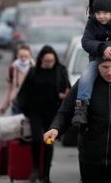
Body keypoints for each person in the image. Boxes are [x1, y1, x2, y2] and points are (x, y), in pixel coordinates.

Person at [44, 55, 111, 183]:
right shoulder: (84, 85)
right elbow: (65, 112)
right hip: (91, 158)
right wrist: (55, 128)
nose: (109, 72)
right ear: (97, 66)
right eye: (105, 67)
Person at [16, 45, 70, 183]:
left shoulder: (60, 70)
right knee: (36, 139)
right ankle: (35, 169)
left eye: (51, 61)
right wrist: (24, 109)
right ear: (40, 59)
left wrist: (63, 95)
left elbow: (67, 89)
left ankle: (46, 174)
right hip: (35, 111)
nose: (49, 64)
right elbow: (24, 92)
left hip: (52, 112)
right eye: (46, 61)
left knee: (48, 142)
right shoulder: (34, 71)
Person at [0, 44, 34, 115]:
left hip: (30, 104)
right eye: (21, 56)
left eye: (26, 56)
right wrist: (4, 106)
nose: (23, 59)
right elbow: (10, 89)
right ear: (17, 56)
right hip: (16, 103)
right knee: (15, 125)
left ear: (30, 56)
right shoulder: (13, 68)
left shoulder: (35, 68)